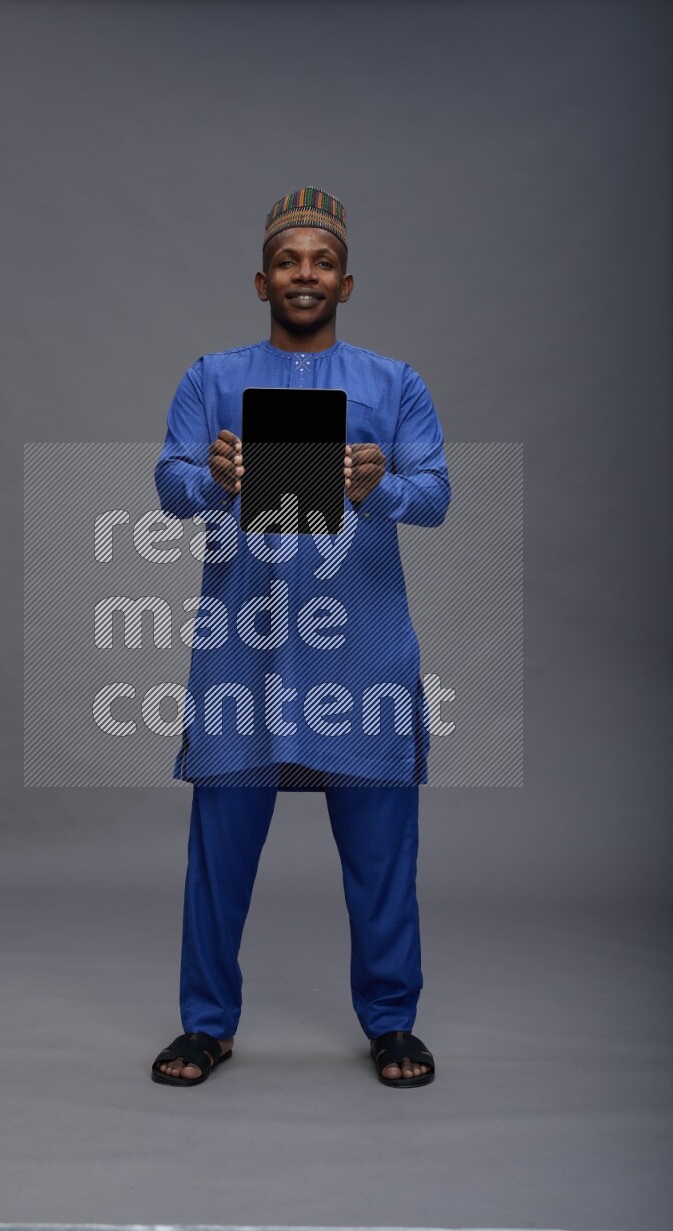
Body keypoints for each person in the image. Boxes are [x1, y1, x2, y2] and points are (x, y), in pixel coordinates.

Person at [151, 187, 450, 1088]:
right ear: (261, 279)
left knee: (381, 856)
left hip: (359, 653)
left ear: (346, 281)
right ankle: (207, 1024)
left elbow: (435, 496)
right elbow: (168, 483)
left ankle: (392, 1022)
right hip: (246, 650)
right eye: (288, 261)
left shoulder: (394, 384)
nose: (305, 275)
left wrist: (379, 486)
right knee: (219, 854)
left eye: (321, 262)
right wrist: (210, 476)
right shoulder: (211, 377)